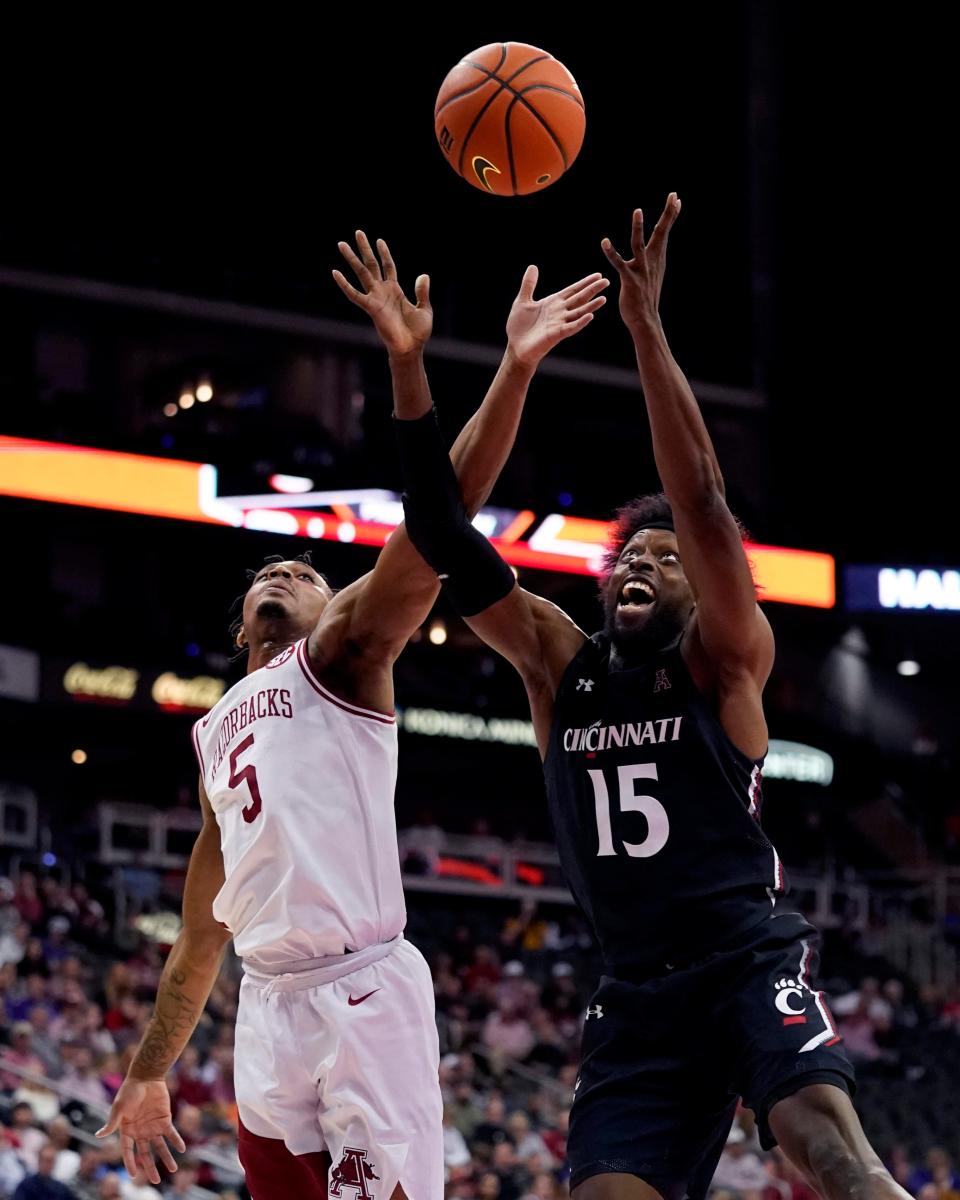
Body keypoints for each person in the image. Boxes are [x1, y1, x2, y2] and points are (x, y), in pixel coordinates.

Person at [395, 194, 910, 1200]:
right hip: (635, 1000)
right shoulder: (559, 665)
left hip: (745, 963)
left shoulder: (724, 660)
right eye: (630, 553)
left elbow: (708, 506)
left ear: (696, 589)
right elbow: (439, 532)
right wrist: (463, 366)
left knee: (841, 1163)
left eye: (665, 559)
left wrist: (645, 330)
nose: (644, 562)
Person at [96, 231, 608, 1200]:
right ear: (239, 622)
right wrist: (151, 1070)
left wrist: (493, 366)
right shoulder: (215, 736)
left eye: (306, 569)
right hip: (268, 1005)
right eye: (267, 571)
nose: (284, 570)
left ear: (334, 605)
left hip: (363, 993)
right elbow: (202, 936)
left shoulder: (340, 655)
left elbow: (440, 521)